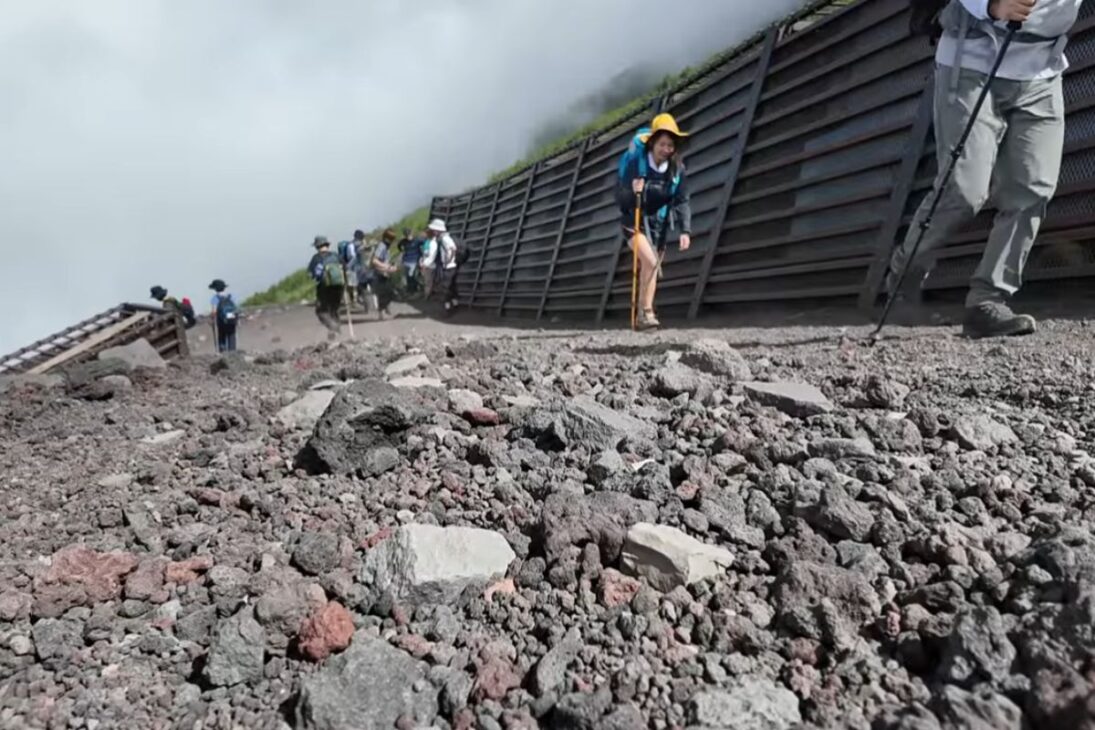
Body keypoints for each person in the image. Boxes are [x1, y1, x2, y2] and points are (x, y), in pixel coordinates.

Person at [885, 0, 1082, 339]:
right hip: (971, 60)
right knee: (963, 191)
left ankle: (988, 301)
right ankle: (904, 275)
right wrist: (990, 5)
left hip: (1042, 71)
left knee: (1032, 189)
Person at [616, 113, 693, 330]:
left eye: (670, 145)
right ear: (652, 143)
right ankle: (647, 313)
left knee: (651, 268)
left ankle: (643, 313)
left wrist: (685, 230)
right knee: (650, 262)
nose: (666, 149)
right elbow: (619, 197)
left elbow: (682, 200)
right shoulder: (636, 164)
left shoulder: (677, 169)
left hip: (659, 224)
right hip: (634, 220)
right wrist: (632, 192)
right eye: (662, 144)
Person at [308, 236, 345, 338]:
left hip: (324, 288)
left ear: (317, 247)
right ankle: (336, 331)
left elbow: (312, 274)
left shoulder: (316, 258)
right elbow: (344, 268)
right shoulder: (336, 256)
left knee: (321, 311)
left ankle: (333, 327)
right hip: (339, 286)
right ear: (327, 245)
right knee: (335, 309)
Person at [370, 229, 399, 319]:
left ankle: (384, 312)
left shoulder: (385, 246)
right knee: (385, 293)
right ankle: (382, 313)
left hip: (384, 272)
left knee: (387, 293)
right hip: (380, 273)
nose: (392, 241)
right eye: (391, 239)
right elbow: (374, 260)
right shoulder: (382, 246)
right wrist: (387, 266)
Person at [208, 279, 239, 353]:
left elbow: (214, 312)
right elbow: (235, 308)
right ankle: (232, 352)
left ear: (215, 289)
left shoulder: (215, 298)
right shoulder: (230, 296)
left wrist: (211, 319)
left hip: (222, 321)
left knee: (222, 336)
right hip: (231, 318)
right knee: (231, 335)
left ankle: (223, 352)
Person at [420, 221, 447, 299]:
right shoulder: (427, 242)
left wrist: (424, 264)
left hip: (430, 266)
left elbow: (432, 256)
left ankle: (427, 296)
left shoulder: (433, 243)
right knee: (427, 281)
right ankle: (428, 295)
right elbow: (425, 254)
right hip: (426, 264)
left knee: (428, 282)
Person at [398, 227, 423, 296]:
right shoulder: (403, 241)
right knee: (408, 277)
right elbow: (399, 245)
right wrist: (402, 250)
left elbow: (425, 243)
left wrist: (422, 255)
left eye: (409, 235)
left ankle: (415, 289)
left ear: (412, 234)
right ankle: (410, 290)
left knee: (411, 275)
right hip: (406, 261)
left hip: (414, 261)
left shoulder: (417, 240)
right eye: (406, 235)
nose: (408, 237)